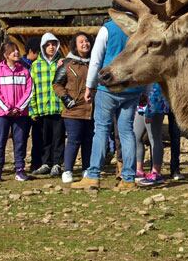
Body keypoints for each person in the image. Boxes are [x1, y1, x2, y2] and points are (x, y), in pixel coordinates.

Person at [73, 13, 144, 191]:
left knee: (101, 130)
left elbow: (96, 59)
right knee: (127, 132)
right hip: (132, 88)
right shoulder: (139, 29)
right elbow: (147, 62)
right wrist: (146, 90)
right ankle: (128, 178)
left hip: (108, 88)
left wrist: (89, 86)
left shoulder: (108, 28)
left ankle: (93, 175)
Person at [53, 32, 94, 184]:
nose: (85, 44)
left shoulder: (95, 62)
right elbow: (57, 83)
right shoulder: (67, 63)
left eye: (87, 41)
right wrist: (65, 98)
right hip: (73, 109)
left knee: (88, 140)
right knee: (73, 140)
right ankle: (68, 170)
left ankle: (87, 169)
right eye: (81, 41)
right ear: (75, 45)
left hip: (91, 108)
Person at [0, 42, 34, 182]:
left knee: (20, 141)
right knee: (1, 141)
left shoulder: (25, 71)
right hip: (3, 114)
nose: (16, 53)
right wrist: (6, 108)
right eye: (13, 51)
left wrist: (19, 107)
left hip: (20, 114)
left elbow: (29, 90)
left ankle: (20, 170)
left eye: (17, 50)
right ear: (5, 55)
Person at [29, 33, 65, 176]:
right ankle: (45, 163)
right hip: (42, 108)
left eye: (54, 44)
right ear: (43, 47)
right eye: (48, 45)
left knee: (58, 137)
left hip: (58, 107)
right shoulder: (35, 65)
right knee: (44, 138)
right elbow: (31, 89)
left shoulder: (62, 63)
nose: (51, 47)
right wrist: (33, 109)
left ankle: (57, 163)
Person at [134, 83, 169, 187]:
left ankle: (156, 172)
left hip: (156, 106)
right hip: (142, 104)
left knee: (154, 138)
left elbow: (156, 89)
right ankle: (139, 169)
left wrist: (150, 111)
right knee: (136, 136)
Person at [21, 36, 44, 171]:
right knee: (22, 137)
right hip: (24, 107)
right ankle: (20, 163)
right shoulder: (22, 65)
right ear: (31, 51)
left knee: (38, 136)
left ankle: (36, 162)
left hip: (36, 106)